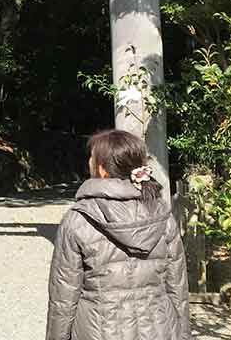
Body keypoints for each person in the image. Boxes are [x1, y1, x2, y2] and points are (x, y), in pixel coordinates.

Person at [46, 129, 191, 340]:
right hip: (158, 328)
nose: (89, 161)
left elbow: (63, 298)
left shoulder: (78, 219)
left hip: (98, 330)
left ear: (102, 169)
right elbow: (178, 289)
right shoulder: (161, 214)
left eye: (92, 158)